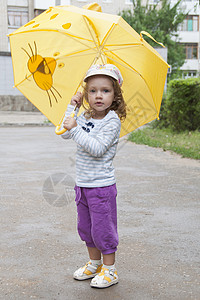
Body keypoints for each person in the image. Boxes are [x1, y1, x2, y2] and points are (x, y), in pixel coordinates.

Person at [61, 64, 126, 288]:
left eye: (106, 90)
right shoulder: (85, 115)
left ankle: (110, 270)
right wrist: (72, 107)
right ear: (86, 93)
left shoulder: (112, 121)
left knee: (103, 229)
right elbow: (63, 133)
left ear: (115, 94)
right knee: (87, 228)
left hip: (101, 188)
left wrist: (76, 128)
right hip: (83, 185)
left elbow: (97, 148)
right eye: (93, 90)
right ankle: (94, 263)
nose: (99, 95)